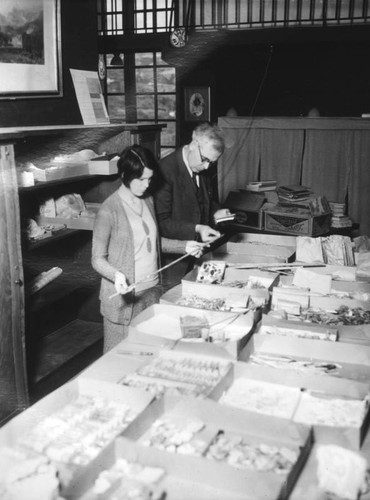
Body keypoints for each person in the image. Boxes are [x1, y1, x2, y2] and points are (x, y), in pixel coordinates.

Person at [92, 144, 205, 352]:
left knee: (148, 357)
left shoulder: (148, 200)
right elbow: (97, 259)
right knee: (120, 360)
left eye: (150, 179)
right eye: (141, 179)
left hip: (151, 293)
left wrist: (184, 246)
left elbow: (151, 242)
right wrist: (116, 275)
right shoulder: (109, 209)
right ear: (125, 174)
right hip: (124, 302)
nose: (146, 185)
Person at [154, 122, 231, 243]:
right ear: (194, 144)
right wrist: (197, 228)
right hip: (177, 253)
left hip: (199, 248)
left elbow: (202, 202)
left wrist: (216, 212)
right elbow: (161, 223)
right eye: (205, 159)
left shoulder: (201, 167)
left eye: (211, 162)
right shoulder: (165, 170)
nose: (206, 167)